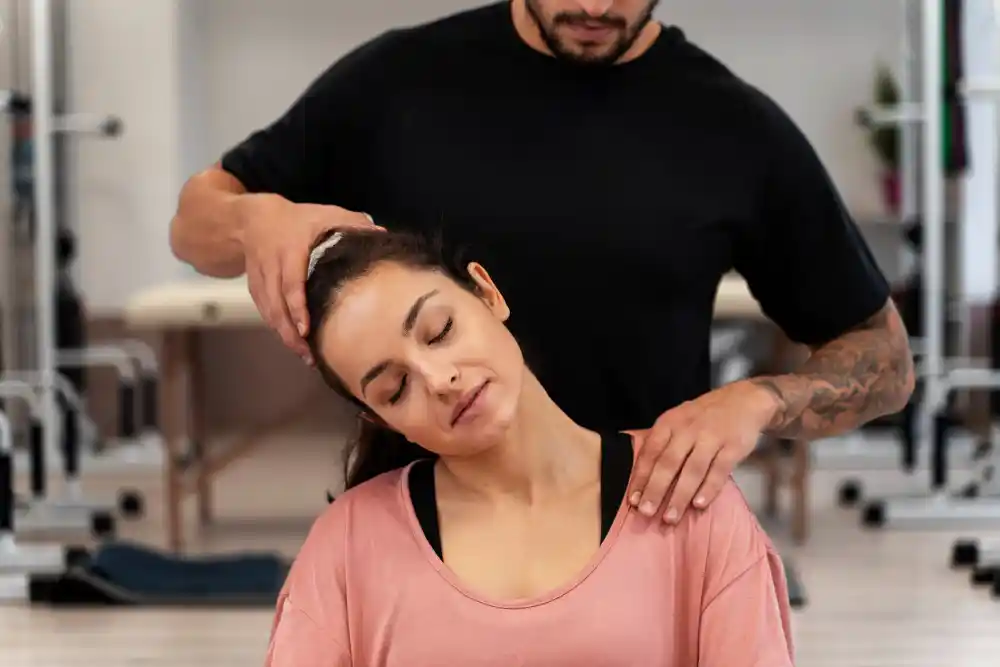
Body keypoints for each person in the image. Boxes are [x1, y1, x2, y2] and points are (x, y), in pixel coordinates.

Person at [169, 0, 915, 524]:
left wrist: (756, 401)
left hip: (637, 536)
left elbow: (884, 357)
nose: (593, 5)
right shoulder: (398, 82)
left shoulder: (738, 132)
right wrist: (250, 217)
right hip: (429, 546)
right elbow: (194, 222)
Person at [266, 227, 794, 667]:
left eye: (439, 330)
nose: (441, 378)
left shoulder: (689, 497)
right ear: (381, 419)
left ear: (487, 292)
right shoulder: (347, 546)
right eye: (396, 389)